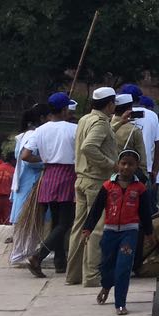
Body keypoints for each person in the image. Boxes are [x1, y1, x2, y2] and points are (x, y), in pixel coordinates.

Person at [80, 149, 153, 315]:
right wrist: (87, 229)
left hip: (129, 233)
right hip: (110, 232)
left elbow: (145, 214)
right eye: (123, 163)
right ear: (118, 165)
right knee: (106, 265)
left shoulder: (140, 189)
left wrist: (149, 233)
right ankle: (106, 286)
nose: (126, 167)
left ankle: (120, 303)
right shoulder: (107, 186)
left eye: (130, 164)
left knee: (123, 267)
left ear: (136, 167)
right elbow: (96, 210)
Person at [22, 93, 79, 276]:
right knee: (66, 222)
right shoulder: (73, 129)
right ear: (64, 110)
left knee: (56, 221)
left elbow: (25, 156)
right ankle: (38, 255)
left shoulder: (40, 130)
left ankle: (60, 262)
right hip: (68, 175)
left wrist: (44, 158)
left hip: (48, 175)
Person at [68, 86, 119, 287]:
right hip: (96, 180)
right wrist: (110, 163)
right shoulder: (100, 123)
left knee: (79, 227)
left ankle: (73, 274)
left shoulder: (85, 119)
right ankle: (91, 276)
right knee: (96, 229)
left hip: (81, 178)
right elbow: (88, 146)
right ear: (109, 104)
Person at [9, 102, 50, 227]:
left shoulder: (24, 135)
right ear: (42, 118)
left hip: (23, 180)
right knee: (28, 220)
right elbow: (27, 160)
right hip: (31, 181)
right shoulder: (34, 135)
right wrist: (47, 162)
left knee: (22, 220)